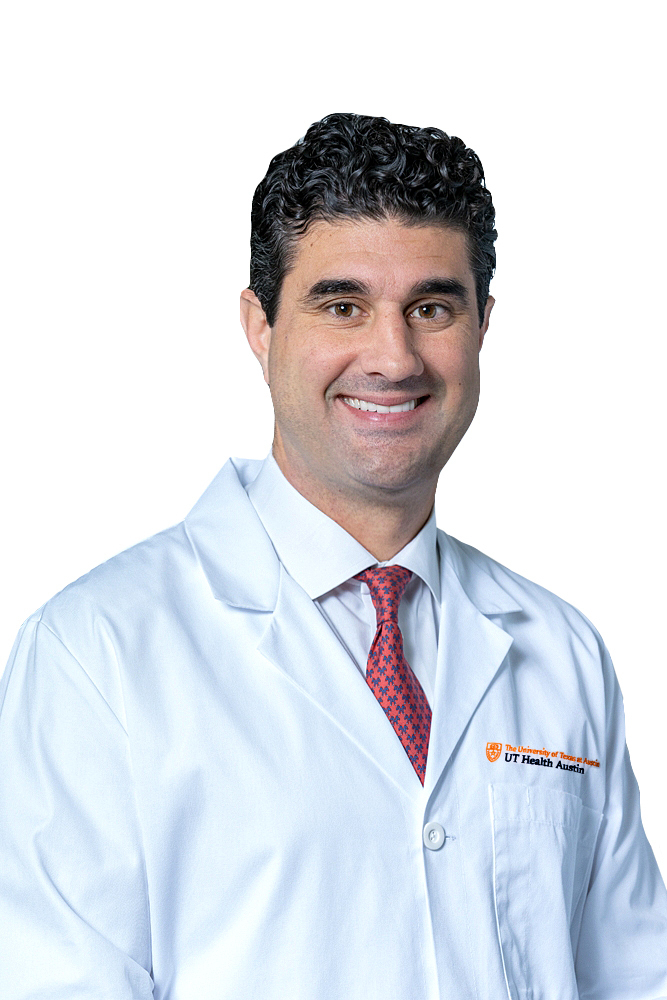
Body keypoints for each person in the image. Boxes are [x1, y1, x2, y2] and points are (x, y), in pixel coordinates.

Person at [1, 112, 665, 999]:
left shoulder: (561, 649)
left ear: (481, 326)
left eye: (430, 308)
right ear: (259, 324)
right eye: (341, 305)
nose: (392, 358)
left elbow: (633, 978)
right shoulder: (97, 651)